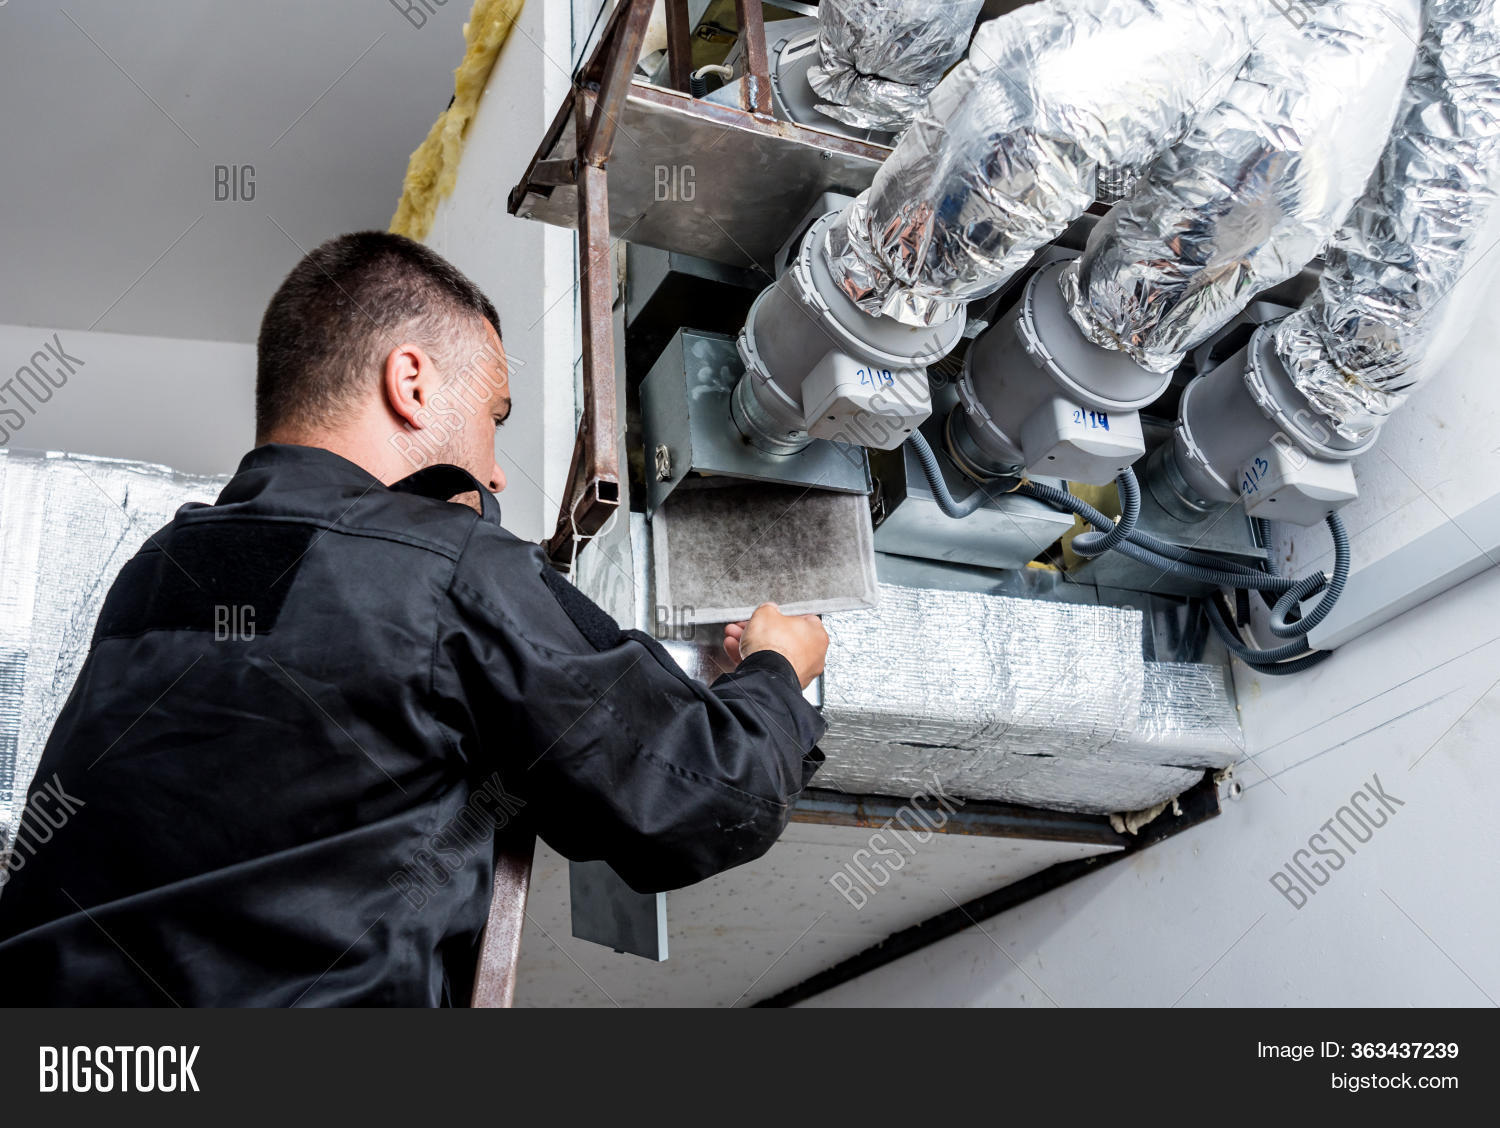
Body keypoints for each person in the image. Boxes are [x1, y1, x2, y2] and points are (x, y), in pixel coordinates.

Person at [0, 231, 829, 1006]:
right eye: (493, 417)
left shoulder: (156, 569)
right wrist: (777, 673)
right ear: (413, 382)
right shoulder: (441, 563)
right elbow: (706, 792)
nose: (497, 474)